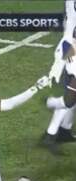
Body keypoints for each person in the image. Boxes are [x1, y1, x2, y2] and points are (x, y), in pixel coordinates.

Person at [44, 0, 76, 153]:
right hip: (71, 47)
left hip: (70, 42)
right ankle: (50, 135)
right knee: (69, 97)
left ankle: (64, 130)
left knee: (72, 96)